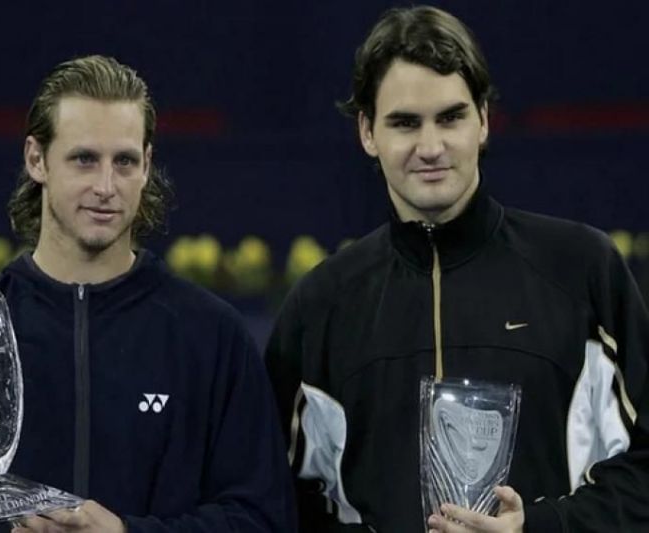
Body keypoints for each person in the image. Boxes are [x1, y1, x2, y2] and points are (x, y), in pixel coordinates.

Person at [0, 55, 296, 532]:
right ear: (36, 159)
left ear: (148, 165)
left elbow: (264, 519)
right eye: (84, 159)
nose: (106, 186)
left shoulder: (212, 337)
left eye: (125, 161)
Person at [265, 6, 649, 532]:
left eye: (451, 117)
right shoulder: (320, 306)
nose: (431, 148)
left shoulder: (582, 269)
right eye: (405, 123)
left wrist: (540, 527)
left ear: (484, 122)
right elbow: (274, 496)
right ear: (367, 132)